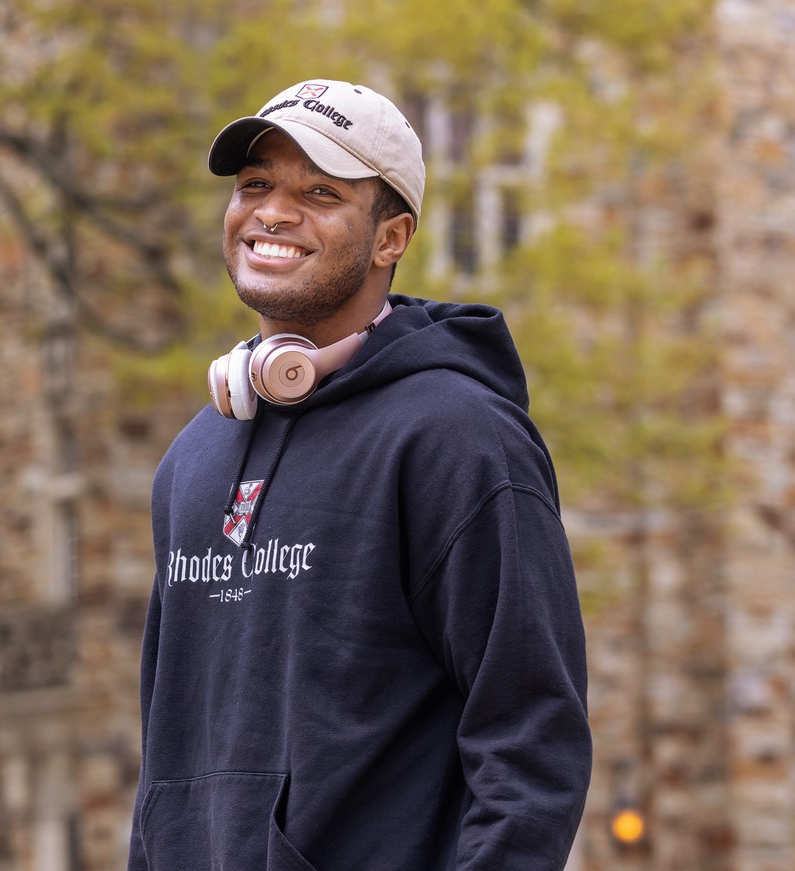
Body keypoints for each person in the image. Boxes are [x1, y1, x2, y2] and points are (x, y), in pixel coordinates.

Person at [128, 80, 591, 870]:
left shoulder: (459, 438)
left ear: (390, 237)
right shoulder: (192, 459)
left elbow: (531, 746)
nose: (272, 212)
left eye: (320, 191)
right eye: (255, 185)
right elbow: (166, 760)